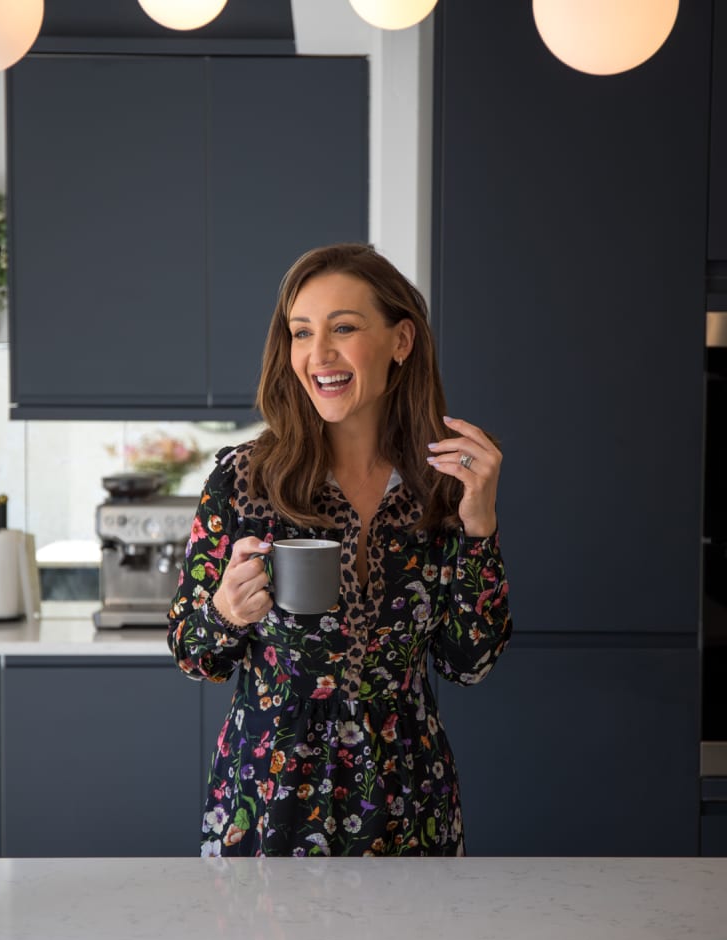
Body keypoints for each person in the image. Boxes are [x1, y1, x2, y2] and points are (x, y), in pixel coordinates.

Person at [167, 242, 512, 857]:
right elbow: (194, 654)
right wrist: (225, 613)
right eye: (301, 333)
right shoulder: (243, 479)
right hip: (269, 799)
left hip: (410, 801)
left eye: (343, 328)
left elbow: (470, 663)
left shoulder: (446, 482)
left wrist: (479, 525)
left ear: (400, 341)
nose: (317, 355)